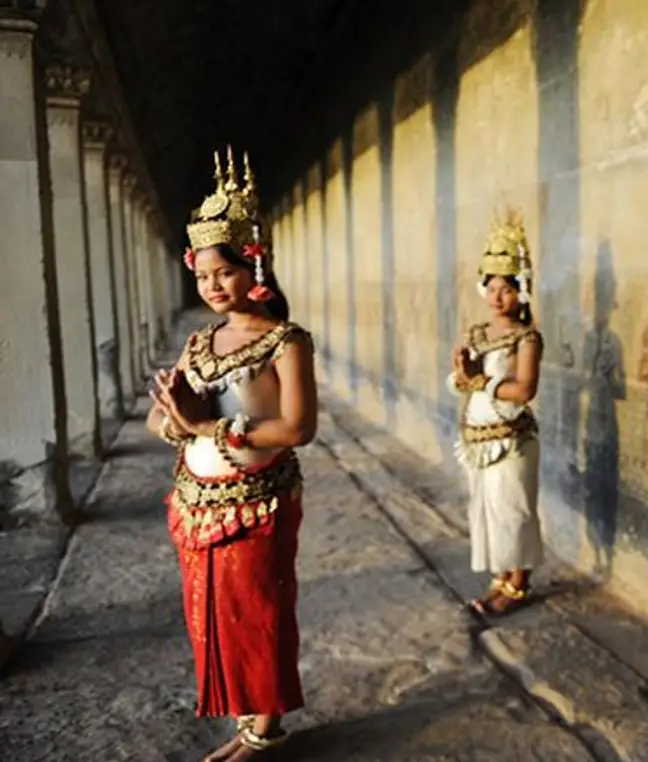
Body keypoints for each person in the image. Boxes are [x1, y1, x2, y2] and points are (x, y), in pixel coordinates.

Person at [147, 149, 316, 761]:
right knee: (214, 617)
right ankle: (246, 720)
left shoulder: (285, 341)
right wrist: (175, 417)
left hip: (256, 503)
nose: (213, 286)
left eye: (224, 272)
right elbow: (160, 421)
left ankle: (264, 732)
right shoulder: (201, 341)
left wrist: (206, 428)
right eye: (203, 276)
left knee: (258, 613)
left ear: (255, 264)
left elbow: (297, 427)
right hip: (197, 504)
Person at [448, 211, 545, 617]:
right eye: (491, 287)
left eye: (506, 288)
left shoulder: (527, 338)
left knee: (514, 512)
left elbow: (523, 390)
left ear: (522, 291)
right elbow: (462, 381)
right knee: (488, 512)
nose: (497, 297)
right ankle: (500, 579)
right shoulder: (477, 333)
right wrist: (462, 373)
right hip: (478, 439)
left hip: (513, 440)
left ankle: (518, 585)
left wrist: (480, 380)